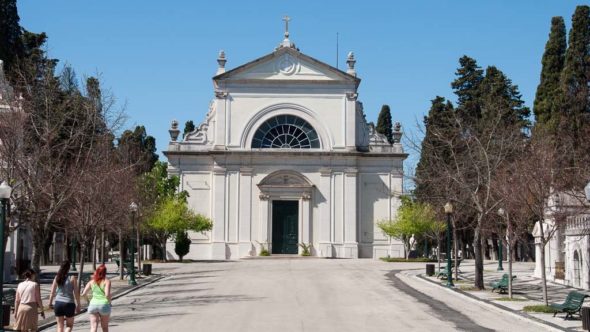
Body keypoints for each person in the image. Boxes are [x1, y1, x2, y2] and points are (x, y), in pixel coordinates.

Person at [48, 260, 81, 332]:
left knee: (60, 326)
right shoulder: (72, 278)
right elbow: (76, 293)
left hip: (58, 303)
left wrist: (50, 303)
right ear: (68, 268)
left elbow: (52, 292)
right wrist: (78, 304)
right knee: (69, 326)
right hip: (69, 304)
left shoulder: (57, 277)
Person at [82, 264, 111, 332]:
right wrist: (109, 302)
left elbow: (83, 294)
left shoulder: (91, 282)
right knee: (105, 327)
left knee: (93, 327)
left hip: (93, 305)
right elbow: (107, 294)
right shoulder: (107, 281)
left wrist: (88, 301)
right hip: (104, 304)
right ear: (105, 272)